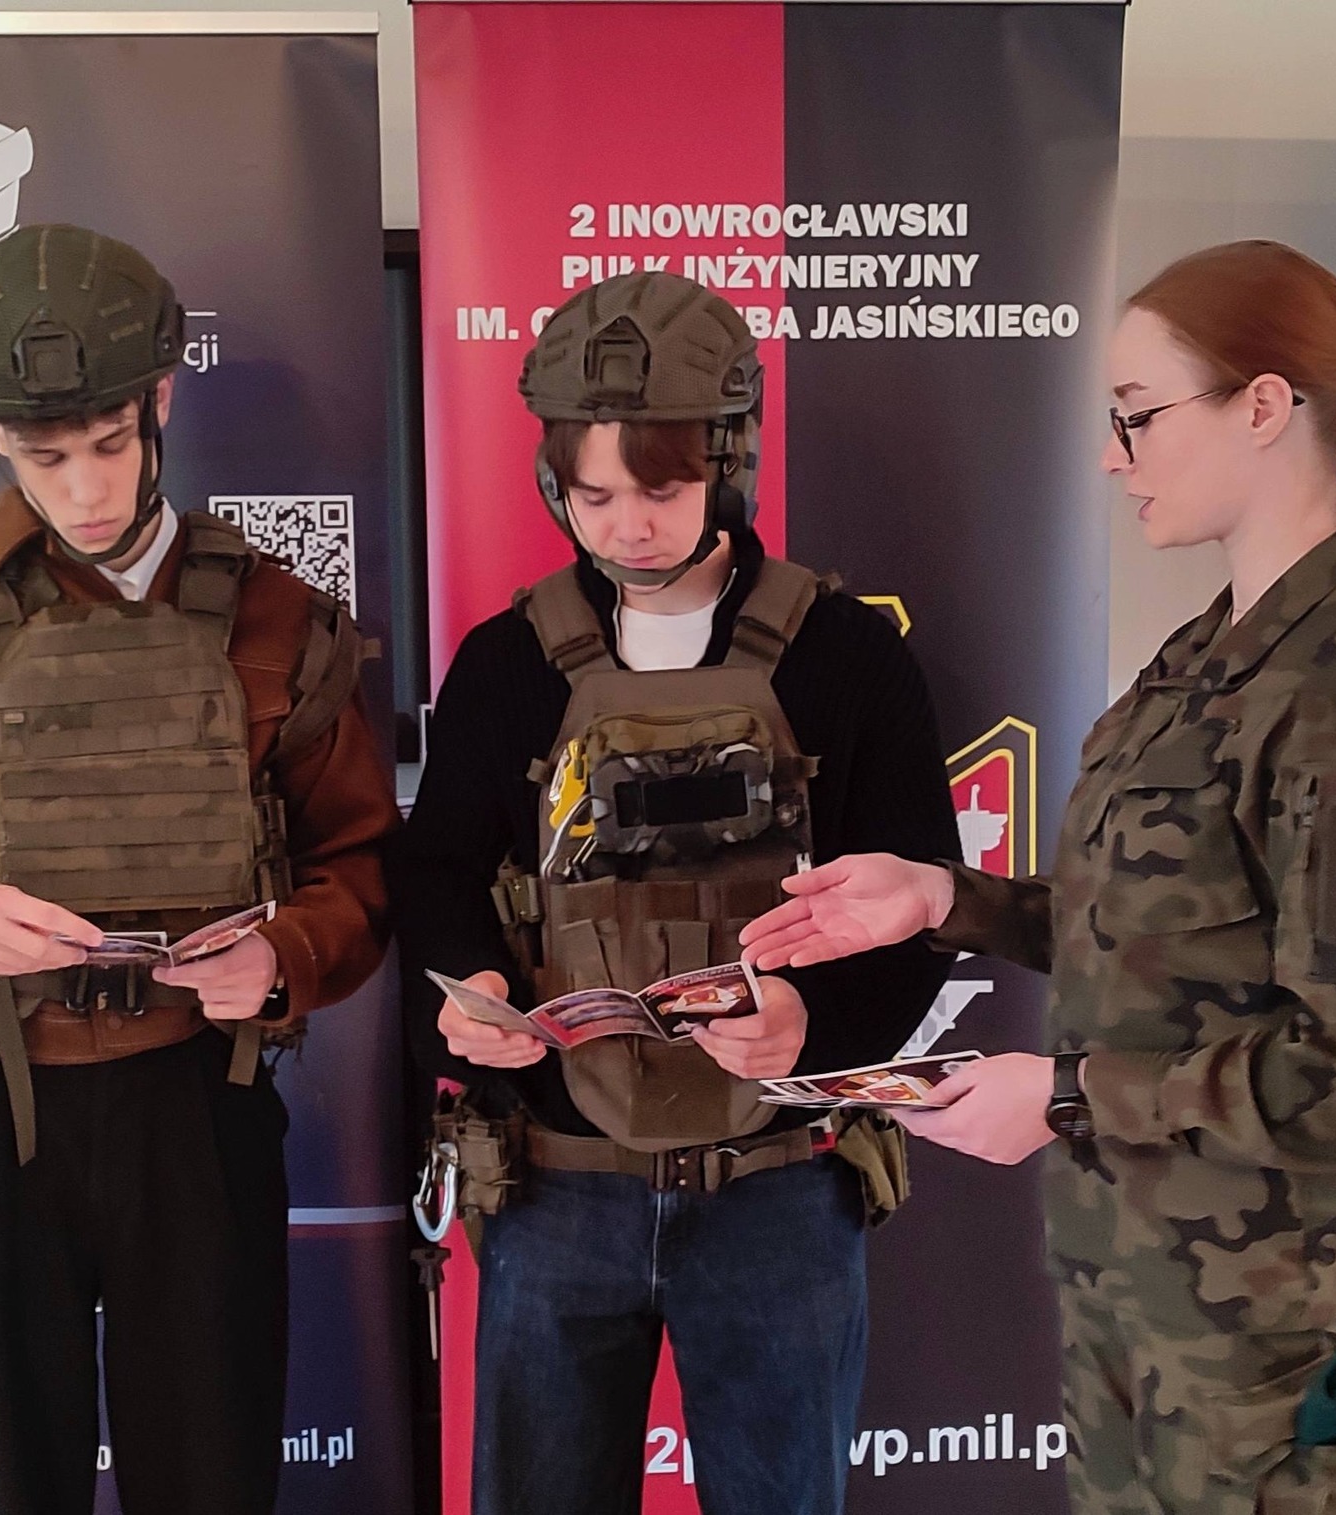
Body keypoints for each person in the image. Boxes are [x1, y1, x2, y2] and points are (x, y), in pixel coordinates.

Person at [743, 239, 1336, 1515]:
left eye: (1136, 415)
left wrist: (1065, 1097)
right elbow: (1157, 931)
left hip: (1271, 1333)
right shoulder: (1210, 649)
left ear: (1263, 407)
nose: (1109, 455)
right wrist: (943, 899)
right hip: (1139, 1296)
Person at [0, 224, 395, 1515]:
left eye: (109, 443)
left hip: (198, 1105)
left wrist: (284, 956)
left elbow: (363, 865)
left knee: (209, 1477)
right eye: (46, 457)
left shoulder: (276, 618)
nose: (88, 489)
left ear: (160, 402)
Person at [389, 271, 960, 1515]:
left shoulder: (845, 656)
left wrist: (816, 1026)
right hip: (556, 1185)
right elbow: (432, 873)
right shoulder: (506, 663)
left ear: (727, 463)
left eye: (659, 490)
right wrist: (467, 993)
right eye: (592, 495)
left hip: (778, 1188)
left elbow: (924, 902)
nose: (627, 528)